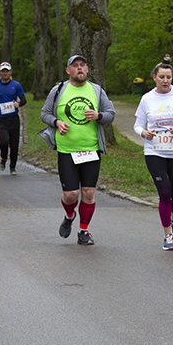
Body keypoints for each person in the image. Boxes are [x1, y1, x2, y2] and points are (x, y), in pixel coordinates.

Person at [41, 54, 116, 246]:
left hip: (91, 149)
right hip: (67, 150)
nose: (80, 68)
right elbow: (45, 114)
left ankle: (84, 230)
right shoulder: (59, 90)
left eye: (83, 65)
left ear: (88, 69)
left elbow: (111, 114)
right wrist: (57, 122)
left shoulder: (97, 91)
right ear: (68, 71)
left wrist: (98, 115)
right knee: (71, 194)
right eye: (75, 66)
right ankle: (69, 215)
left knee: (89, 193)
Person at [133, 57, 173, 250]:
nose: (165, 81)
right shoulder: (147, 99)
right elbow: (137, 125)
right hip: (154, 151)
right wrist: (143, 133)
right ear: (154, 78)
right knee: (165, 192)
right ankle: (168, 234)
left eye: (168, 77)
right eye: (161, 77)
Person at [0, 62, 27, 175]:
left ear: (10, 72)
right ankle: (3, 158)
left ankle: (12, 167)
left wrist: (18, 104)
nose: (5, 73)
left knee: (14, 145)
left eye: (7, 71)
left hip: (13, 118)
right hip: (1, 119)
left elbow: (24, 100)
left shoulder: (16, 85)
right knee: (4, 141)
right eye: (3, 71)